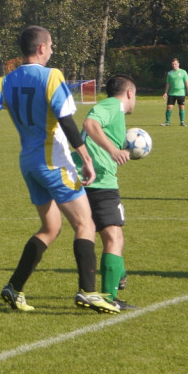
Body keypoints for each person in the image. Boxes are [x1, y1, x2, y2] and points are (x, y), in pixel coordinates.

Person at [0, 25, 119, 314]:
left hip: (29, 163)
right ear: (41, 48)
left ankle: (14, 287)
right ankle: (88, 291)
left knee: (51, 228)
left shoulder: (6, 80)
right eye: (50, 46)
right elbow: (66, 120)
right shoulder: (52, 76)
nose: (52, 50)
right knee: (85, 224)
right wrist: (86, 158)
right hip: (54, 162)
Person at [75, 73, 139, 310]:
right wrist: (113, 150)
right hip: (100, 181)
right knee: (114, 237)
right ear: (130, 93)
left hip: (89, 180)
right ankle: (109, 299)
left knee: (106, 235)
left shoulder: (113, 109)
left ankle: (117, 275)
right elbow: (90, 124)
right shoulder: (113, 105)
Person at [162, 57, 188, 127]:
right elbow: (168, 84)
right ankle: (167, 122)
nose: (174, 65)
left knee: (181, 107)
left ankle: (182, 122)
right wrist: (165, 93)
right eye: (173, 64)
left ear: (178, 64)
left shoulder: (183, 72)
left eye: (175, 64)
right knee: (169, 107)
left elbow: (187, 83)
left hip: (181, 93)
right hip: (172, 93)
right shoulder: (170, 73)